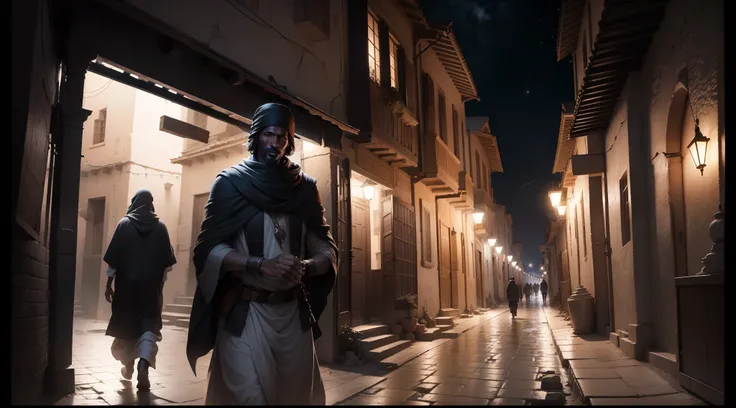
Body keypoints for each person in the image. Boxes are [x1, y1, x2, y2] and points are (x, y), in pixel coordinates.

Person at [186, 103, 338, 405]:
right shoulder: (230, 184)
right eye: (269, 134)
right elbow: (209, 249)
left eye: (282, 138)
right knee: (248, 397)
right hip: (247, 313)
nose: (275, 144)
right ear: (256, 136)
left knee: (295, 398)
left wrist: (306, 267)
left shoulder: (305, 188)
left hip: (292, 318)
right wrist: (258, 265)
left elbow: (327, 248)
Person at [103, 189, 176, 391]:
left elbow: (114, 260)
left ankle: (129, 365)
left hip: (126, 290)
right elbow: (165, 266)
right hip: (150, 290)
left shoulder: (124, 224)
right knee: (148, 327)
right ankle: (143, 363)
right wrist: (157, 288)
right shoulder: (161, 227)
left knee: (127, 327)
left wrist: (109, 284)